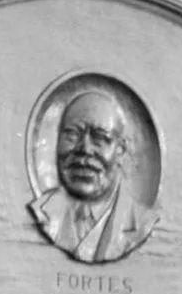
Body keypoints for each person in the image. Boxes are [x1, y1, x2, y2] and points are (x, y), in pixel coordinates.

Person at [27, 87, 156, 264]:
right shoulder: (42, 211)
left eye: (100, 138)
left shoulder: (141, 220)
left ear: (120, 150)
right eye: (72, 135)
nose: (85, 149)